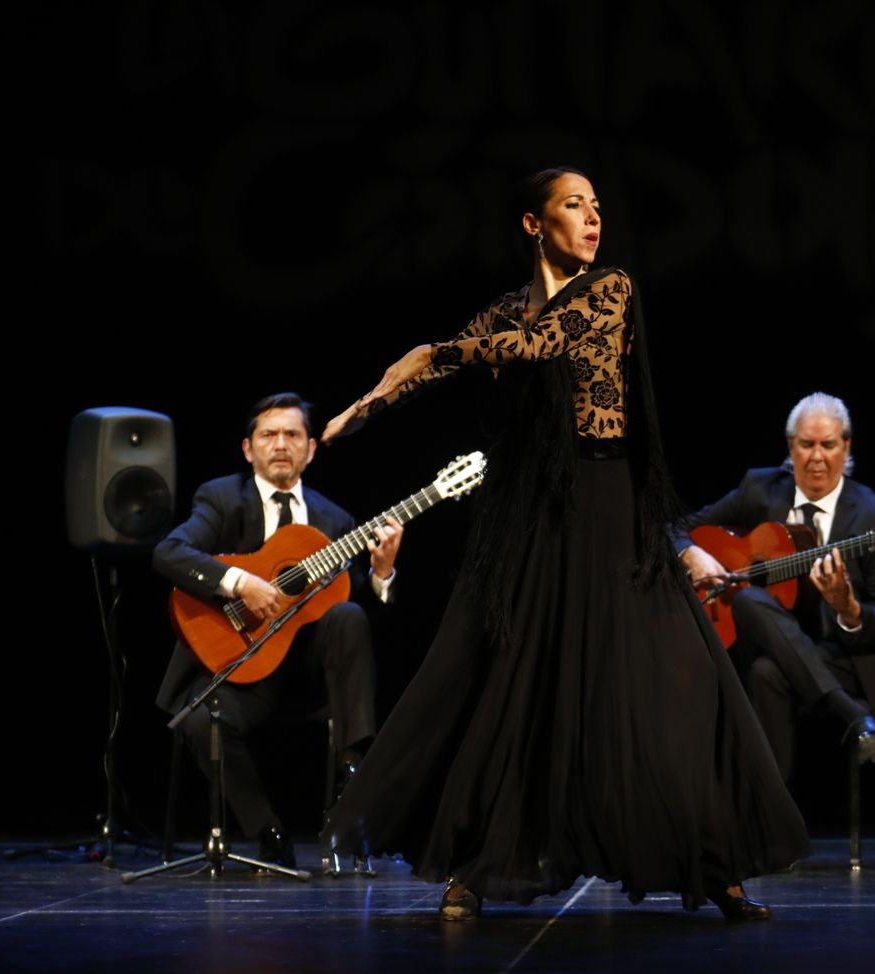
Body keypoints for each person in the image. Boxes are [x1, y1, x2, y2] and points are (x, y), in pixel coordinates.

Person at [320, 167, 808, 921]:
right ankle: (479, 863)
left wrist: (432, 353)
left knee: (669, 679)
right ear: (534, 223)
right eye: (574, 205)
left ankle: (713, 864)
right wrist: (372, 401)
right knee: (509, 679)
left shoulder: (609, 290)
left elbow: (536, 345)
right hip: (532, 513)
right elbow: (459, 355)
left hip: (610, 506)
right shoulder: (507, 307)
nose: (592, 217)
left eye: (596, 207)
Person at [154, 392, 403, 869]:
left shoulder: (335, 521)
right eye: (269, 434)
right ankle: (268, 832)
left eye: (293, 434)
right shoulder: (221, 498)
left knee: (348, 616)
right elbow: (169, 552)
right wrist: (240, 583)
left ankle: (353, 773)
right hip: (244, 668)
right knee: (199, 720)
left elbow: (363, 620)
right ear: (248, 449)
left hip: (312, 677)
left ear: (310, 449)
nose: (281, 444)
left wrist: (382, 574)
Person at [676, 393, 875, 781]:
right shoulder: (760, 489)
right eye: (806, 444)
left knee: (766, 669)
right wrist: (692, 554)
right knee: (750, 607)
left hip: (848, 659)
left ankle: (772, 811)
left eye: (828, 445)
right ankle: (853, 719)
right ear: (791, 447)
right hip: (769, 644)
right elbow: (676, 529)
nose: (817, 457)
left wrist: (848, 608)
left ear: (846, 447)